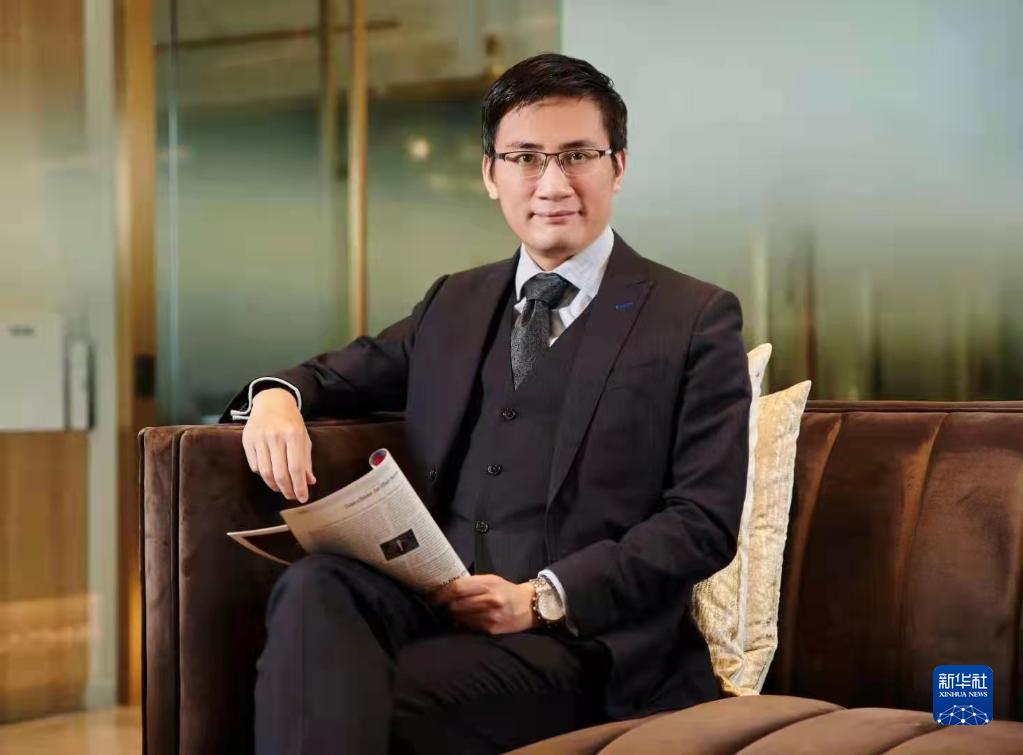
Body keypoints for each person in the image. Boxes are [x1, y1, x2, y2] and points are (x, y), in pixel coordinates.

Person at [221, 52, 752, 755]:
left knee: (331, 699)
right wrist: (274, 398)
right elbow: (337, 374)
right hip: (438, 606)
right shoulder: (456, 301)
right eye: (525, 158)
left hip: (584, 646)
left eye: (578, 155)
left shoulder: (693, 317)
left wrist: (541, 597)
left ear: (618, 166)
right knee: (317, 585)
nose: (552, 184)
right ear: (490, 174)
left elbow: (703, 522)